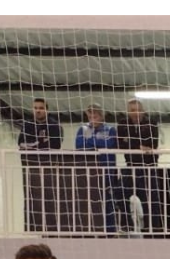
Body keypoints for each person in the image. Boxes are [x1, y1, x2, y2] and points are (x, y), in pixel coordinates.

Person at [17, 97, 64, 233]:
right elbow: (21, 143)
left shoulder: (54, 125)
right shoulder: (27, 125)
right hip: (32, 167)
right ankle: (33, 228)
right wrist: (39, 143)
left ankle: (53, 228)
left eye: (41, 108)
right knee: (31, 196)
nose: (38, 111)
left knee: (50, 197)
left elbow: (55, 145)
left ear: (47, 110)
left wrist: (35, 144)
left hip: (49, 167)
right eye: (35, 108)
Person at [73, 104, 120, 233]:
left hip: (107, 170)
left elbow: (110, 144)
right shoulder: (82, 129)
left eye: (95, 116)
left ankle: (110, 231)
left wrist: (90, 143)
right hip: (89, 172)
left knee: (108, 201)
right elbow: (79, 145)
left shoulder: (110, 129)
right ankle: (90, 230)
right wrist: (97, 145)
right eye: (90, 116)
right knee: (88, 201)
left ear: (101, 115)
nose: (92, 119)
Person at [117, 99, 160, 233]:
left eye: (138, 110)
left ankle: (153, 229)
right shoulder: (123, 124)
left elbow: (152, 145)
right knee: (119, 193)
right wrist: (138, 146)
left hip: (148, 166)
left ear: (143, 110)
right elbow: (120, 144)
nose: (136, 113)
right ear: (128, 112)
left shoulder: (151, 122)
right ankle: (126, 225)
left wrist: (131, 142)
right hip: (130, 166)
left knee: (151, 200)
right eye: (132, 110)